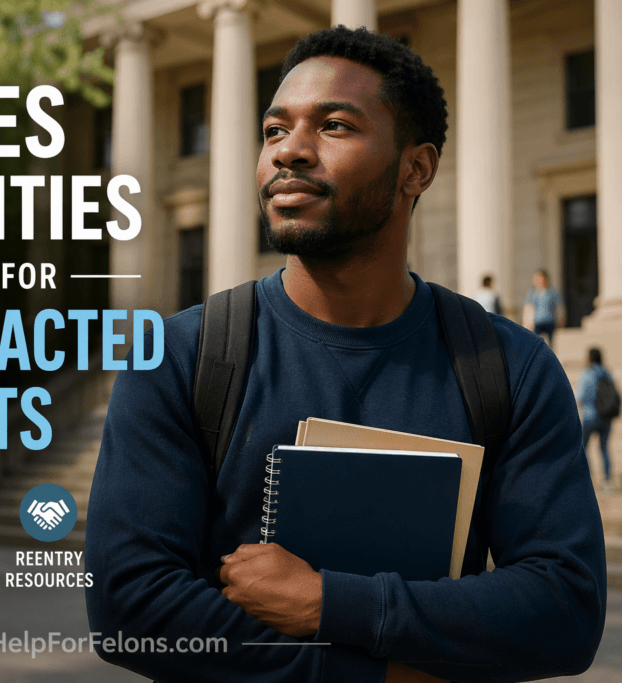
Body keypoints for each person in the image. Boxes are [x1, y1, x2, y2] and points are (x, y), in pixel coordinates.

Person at [85, 26, 605, 683]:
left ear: (416, 168)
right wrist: (387, 673)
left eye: (333, 125)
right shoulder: (178, 357)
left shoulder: (510, 367)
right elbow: (129, 605)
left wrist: (328, 601)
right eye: (274, 129)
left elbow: (566, 606)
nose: (290, 152)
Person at [578, 347, 616, 490]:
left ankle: (587, 479)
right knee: (604, 449)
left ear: (590, 358)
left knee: (583, 448)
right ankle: (607, 481)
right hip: (606, 417)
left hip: (589, 416)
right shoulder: (607, 373)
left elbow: (581, 396)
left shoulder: (587, 374)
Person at [523, 269, 564, 346]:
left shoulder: (553, 292)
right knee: (535, 342)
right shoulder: (532, 293)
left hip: (550, 321)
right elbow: (528, 308)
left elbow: (559, 308)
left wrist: (561, 320)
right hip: (537, 321)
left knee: (551, 343)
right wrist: (527, 323)